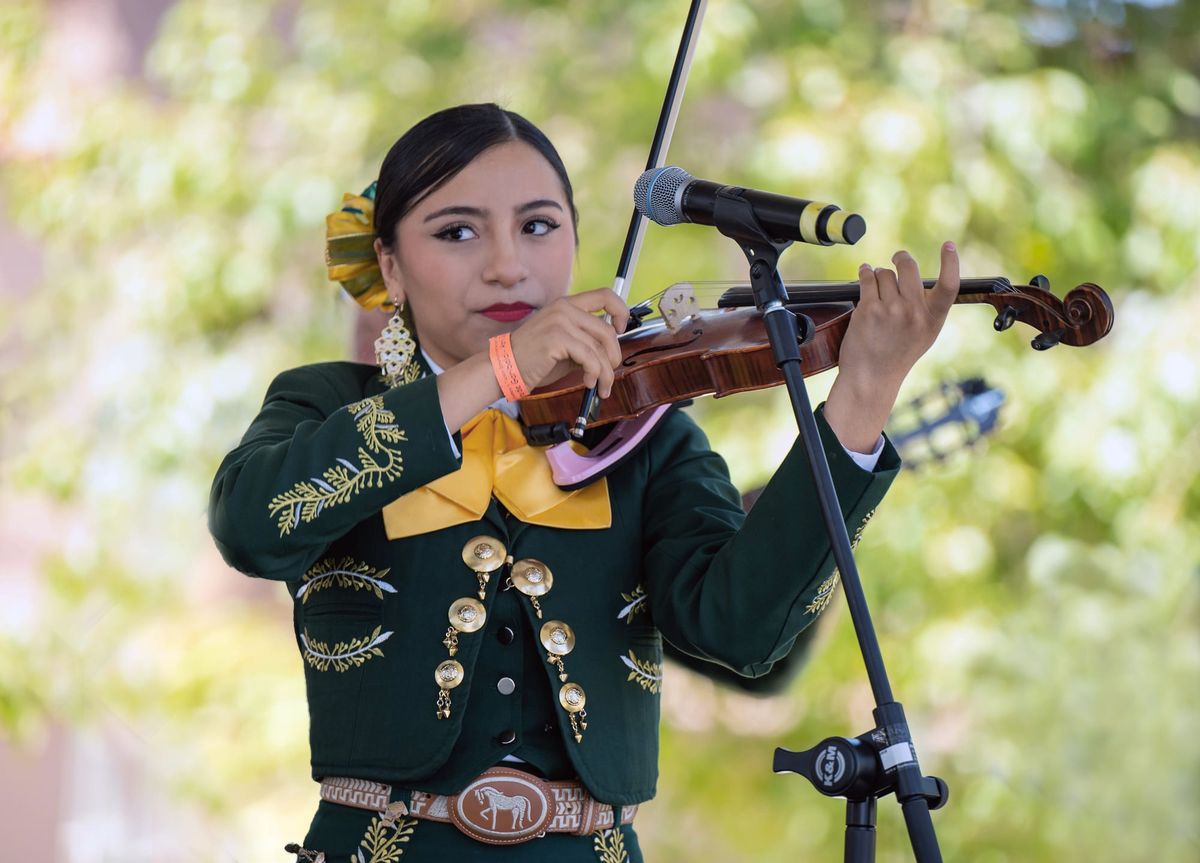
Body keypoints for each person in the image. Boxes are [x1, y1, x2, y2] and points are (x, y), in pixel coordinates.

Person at [208, 102, 959, 862]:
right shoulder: (329, 402)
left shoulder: (644, 430)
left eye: (538, 225)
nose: (507, 264)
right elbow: (251, 523)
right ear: (391, 264)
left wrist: (863, 397)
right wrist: (502, 368)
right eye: (457, 232)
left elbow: (741, 632)